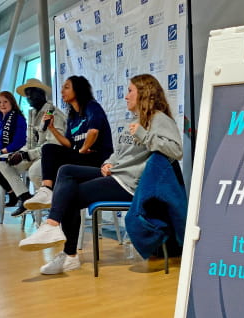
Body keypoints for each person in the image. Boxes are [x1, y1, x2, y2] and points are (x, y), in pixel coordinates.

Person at [19, 73, 183, 275]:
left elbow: (176, 151)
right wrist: (107, 163)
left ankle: (65, 249)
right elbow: (119, 153)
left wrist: (143, 134)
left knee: (69, 193)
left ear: (144, 93)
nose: (126, 96)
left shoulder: (159, 118)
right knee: (66, 171)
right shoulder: (136, 119)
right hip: (115, 175)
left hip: (130, 184)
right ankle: (54, 228)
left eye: (130, 90)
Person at [23, 75, 113, 211]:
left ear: (78, 90)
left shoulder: (91, 107)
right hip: (82, 157)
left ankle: (49, 192)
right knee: (50, 150)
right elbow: (69, 144)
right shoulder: (72, 116)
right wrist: (52, 128)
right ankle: (49, 192)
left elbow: (93, 131)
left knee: (52, 154)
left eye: (66, 87)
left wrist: (82, 150)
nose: (62, 91)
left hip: (98, 159)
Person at [0, 78, 66, 217]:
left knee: (34, 171)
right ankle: (25, 197)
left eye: (32, 93)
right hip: (34, 155)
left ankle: (55, 210)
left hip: (51, 157)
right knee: (2, 161)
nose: (29, 97)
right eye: (27, 94)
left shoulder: (53, 114)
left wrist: (25, 155)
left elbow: (53, 146)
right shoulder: (33, 114)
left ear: (42, 93)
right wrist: (21, 153)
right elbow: (30, 142)